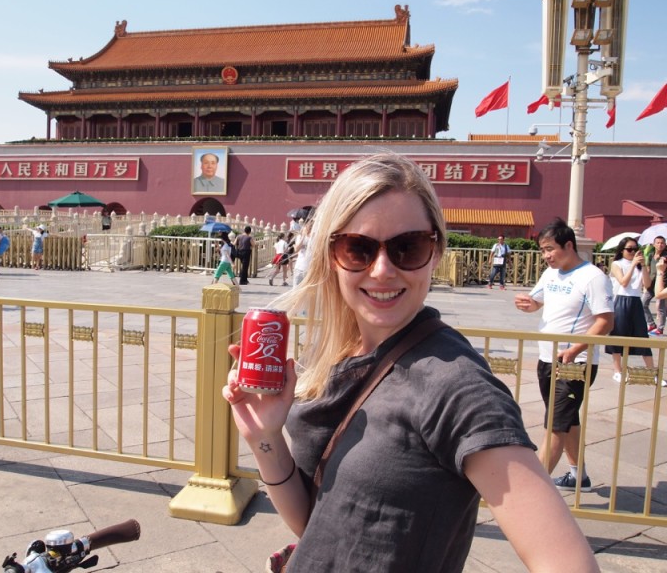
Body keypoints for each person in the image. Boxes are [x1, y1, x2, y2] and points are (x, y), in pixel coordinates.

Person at [224, 155, 599, 572]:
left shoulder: (455, 385)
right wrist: (266, 437)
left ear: (435, 251)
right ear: (331, 255)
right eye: (358, 248)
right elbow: (316, 524)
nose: (382, 270)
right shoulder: (338, 355)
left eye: (408, 247)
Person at [515, 218, 614, 490]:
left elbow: (605, 321)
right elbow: (539, 302)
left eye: (550, 249)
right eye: (542, 250)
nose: (546, 255)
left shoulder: (593, 277)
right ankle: (578, 475)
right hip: (548, 358)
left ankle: (532, 490)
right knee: (566, 419)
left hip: (575, 364)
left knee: (555, 425)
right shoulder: (551, 274)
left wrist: (575, 348)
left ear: (569, 245)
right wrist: (530, 304)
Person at [606, 238, 655, 383]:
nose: (633, 252)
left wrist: (643, 266)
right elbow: (623, 282)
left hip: (635, 301)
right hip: (620, 300)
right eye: (629, 249)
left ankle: (651, 371)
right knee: (618, 334)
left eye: (635, 249)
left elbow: (647, 284)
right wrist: (633, 265)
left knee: (642, 335)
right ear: (622, 250)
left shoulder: (640, 265)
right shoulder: (617, 264)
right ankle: (617, 370)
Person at [642, 235, 666, 335]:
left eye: (662, 243)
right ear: (654, 244)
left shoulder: (665, 256)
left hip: (662, 284)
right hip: (651, 284)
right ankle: (651, 323)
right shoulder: (651, 255)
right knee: (643, 303)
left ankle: (660, 329)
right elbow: (648, 269)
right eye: (658, 243)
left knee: (661, 307)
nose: (660, 245)